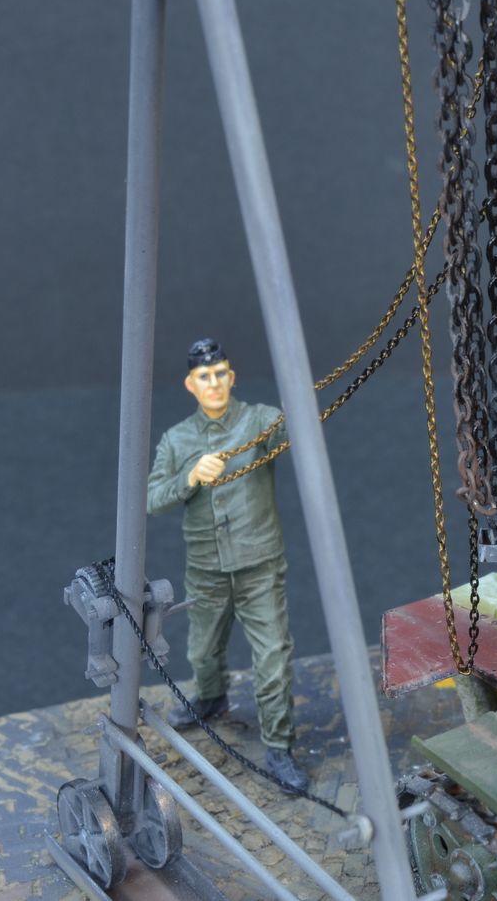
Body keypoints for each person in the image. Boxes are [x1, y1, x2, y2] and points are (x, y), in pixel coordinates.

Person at [146, 338, 307, 793]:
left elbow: (296, 435)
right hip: (206, 568)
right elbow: (153, 500)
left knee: (272, 657)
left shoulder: (260, 420)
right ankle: (212, 697)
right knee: (202, 651)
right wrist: (190, 477)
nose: (213, 383)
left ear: (231, 378)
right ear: (190, 385)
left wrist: (296, 405)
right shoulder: (176, 440)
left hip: (259, 565)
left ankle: (279, 747)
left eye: (220, 374)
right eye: (204, 377)